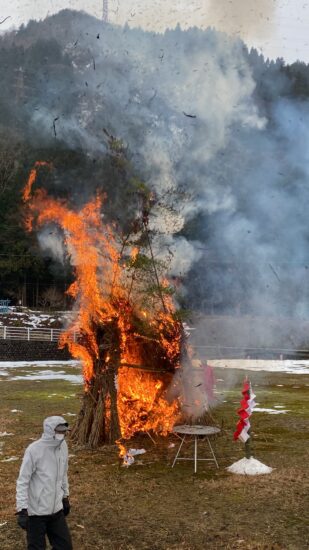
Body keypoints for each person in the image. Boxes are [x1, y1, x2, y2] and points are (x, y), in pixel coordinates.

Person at [16, 415, 73, 550]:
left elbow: (63, 473)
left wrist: (65, 497)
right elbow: (23, 481)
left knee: (64, 547)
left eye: (64, 431)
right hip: (36, 513)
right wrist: (22, 509)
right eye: (59, 431)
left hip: (56, 510)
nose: (62, 434)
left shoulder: (63, 446)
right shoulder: (34, 450)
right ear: (49, 430)